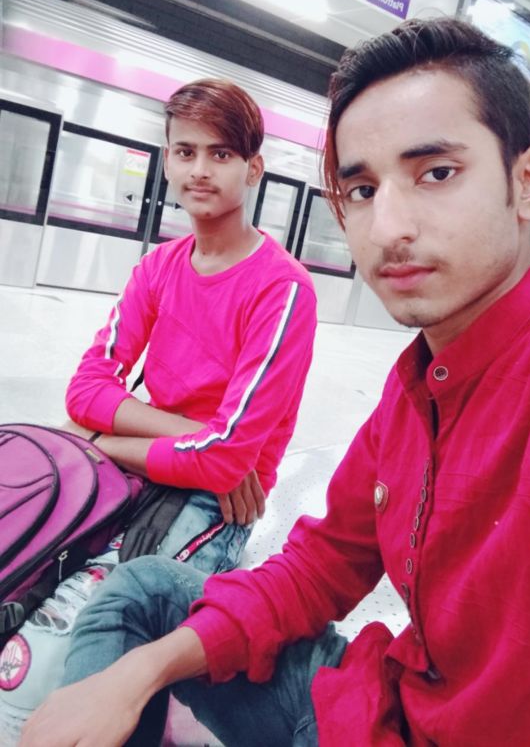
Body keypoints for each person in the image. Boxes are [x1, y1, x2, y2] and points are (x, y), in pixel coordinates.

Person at [19, 17, 530, 747]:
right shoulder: (414, 391)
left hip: (233, 523)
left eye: (437, 173)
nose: (388, 226)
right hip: (371, 706)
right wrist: (138, 673)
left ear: (527, 182)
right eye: (362, 189)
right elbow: (320, 565)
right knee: (140, 593)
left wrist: (121, 437)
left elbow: (228, 457)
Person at [3, 77, 316, 743]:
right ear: (167, 159)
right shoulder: (159, 268)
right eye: (185, 151)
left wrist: (101, 439)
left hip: (212, 502)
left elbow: (224, 463)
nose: (199, 169)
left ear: (254, 168)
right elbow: (85, 389)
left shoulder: (282, 290)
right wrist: (194, 433)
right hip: (152, 469)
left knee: (77, 651)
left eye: (221, 154)